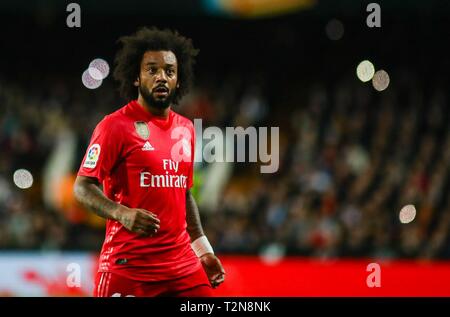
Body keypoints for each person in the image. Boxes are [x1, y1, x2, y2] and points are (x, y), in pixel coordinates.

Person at [73, 27, 225, 297]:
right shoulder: (114, 126)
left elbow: (184, 193)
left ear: (179, 80)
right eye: (152, 69)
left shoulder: (186, 129)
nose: (161, 77)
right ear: (136, 76)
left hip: (183, 268)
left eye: (169, 71)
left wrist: (203, 250)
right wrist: (122, 213)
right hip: (129, 268)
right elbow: (83, 187)